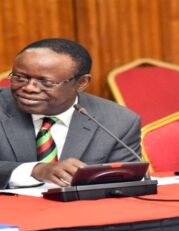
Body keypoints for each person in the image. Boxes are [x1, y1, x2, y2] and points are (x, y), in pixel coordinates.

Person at [0, 38, 141, 189]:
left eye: (46, 82)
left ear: (82, 83)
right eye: (19, 78)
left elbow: (124, 182)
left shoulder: (118, 121)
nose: (29, 88)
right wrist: (35, 170)